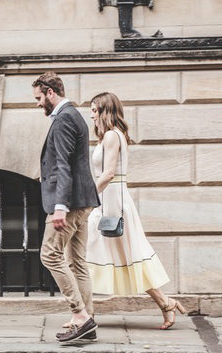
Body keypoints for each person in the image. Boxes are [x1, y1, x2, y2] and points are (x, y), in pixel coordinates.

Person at [86, 92, 186, 330]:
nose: (91, 115)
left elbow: (109, 173)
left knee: (126, 256)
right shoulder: (111, 136)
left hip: (112, 203)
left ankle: (83, 313)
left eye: (94, 110)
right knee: (110, 255)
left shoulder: (111, 136)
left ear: (104, 110)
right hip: (108, 201)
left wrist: (88, 197)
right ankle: (164, 303)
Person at [32, 72, 100, 342]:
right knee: (77, 262)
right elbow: (69, 162)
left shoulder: (63, 119)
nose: (37, 104)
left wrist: (60, 206)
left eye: (39, 98)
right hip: (83, 200)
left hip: (69, 203)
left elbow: (63, 165)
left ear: (50, 92)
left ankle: (80, 315)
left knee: (49, 255)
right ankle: (87, 321)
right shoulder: (74, 116)